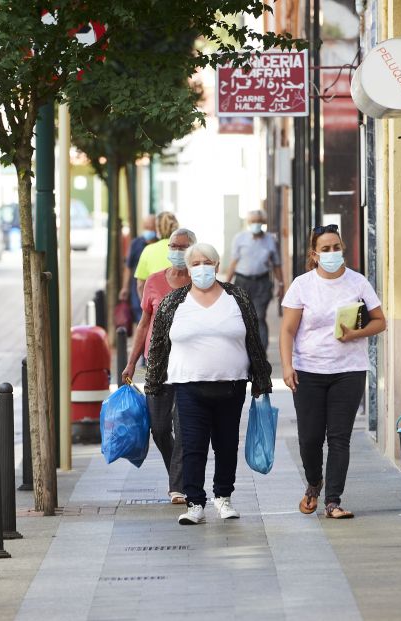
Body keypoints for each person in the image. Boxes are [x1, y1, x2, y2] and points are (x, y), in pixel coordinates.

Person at [145, 242, 272, 525]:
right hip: (189, 387)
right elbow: (157, 345)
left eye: (207, 262)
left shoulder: (237, 297)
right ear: (188, 270)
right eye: (196, 263)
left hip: (231, 385)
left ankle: (223, 498)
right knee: (192, 446)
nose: (202, 268)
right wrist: (153, 383)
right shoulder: (173, 302)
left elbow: (253, 339)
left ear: (217, 265)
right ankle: (194, 503)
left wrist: (262, 379)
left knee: (226, 445)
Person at [279, 224, 387, 520]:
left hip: (348, 371)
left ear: (343, 249)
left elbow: (380, 321)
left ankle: (333, 501)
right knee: (310, 439)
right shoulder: (302, 285)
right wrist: (287, 366)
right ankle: (314, 482)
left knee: (339, 437)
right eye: (325, 249)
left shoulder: (358, 283)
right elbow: (287, 330)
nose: (332, 253)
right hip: (309, 370)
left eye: (336, 247)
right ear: (314, 255)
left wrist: (355, 334)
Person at [121, 228, 196, 504]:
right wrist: (131, 363)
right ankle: (181, 474)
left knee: (184, 424)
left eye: (183, 247)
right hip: (156, 363)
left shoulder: (199, 282)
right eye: (174, 245)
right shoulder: (153, 281)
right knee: (160, 428)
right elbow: (143, 324)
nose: (177, 251)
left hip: (189, 364)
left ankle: (177, 485)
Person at [223, 209, 284, 350]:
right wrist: (225, 284)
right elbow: (233, 262)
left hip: (262, 283)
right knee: (243, 317)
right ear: (248, 223)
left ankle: (261, 352)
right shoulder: (239, 238)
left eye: (259, 221)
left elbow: (277, 264)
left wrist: (281, 284)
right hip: (242, 282)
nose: (256, 224)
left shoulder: (270, 240)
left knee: (259, 316)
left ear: (263, 222)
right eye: (253, 221)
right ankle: (246, 350)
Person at [119, 214, 157, 324]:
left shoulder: (160, 244)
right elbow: (128, 266)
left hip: (154, 290)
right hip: (137, 289)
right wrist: (125, 288)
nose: (148, 231)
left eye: (150, 227)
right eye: (146, 227)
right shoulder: (136, 243)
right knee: (140, 319)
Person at [133, 211, 179, 299]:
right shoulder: (187, 249)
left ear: (157, 229)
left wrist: (146, 307)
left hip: (157, 307)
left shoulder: (148, 250)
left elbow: (140, 285)